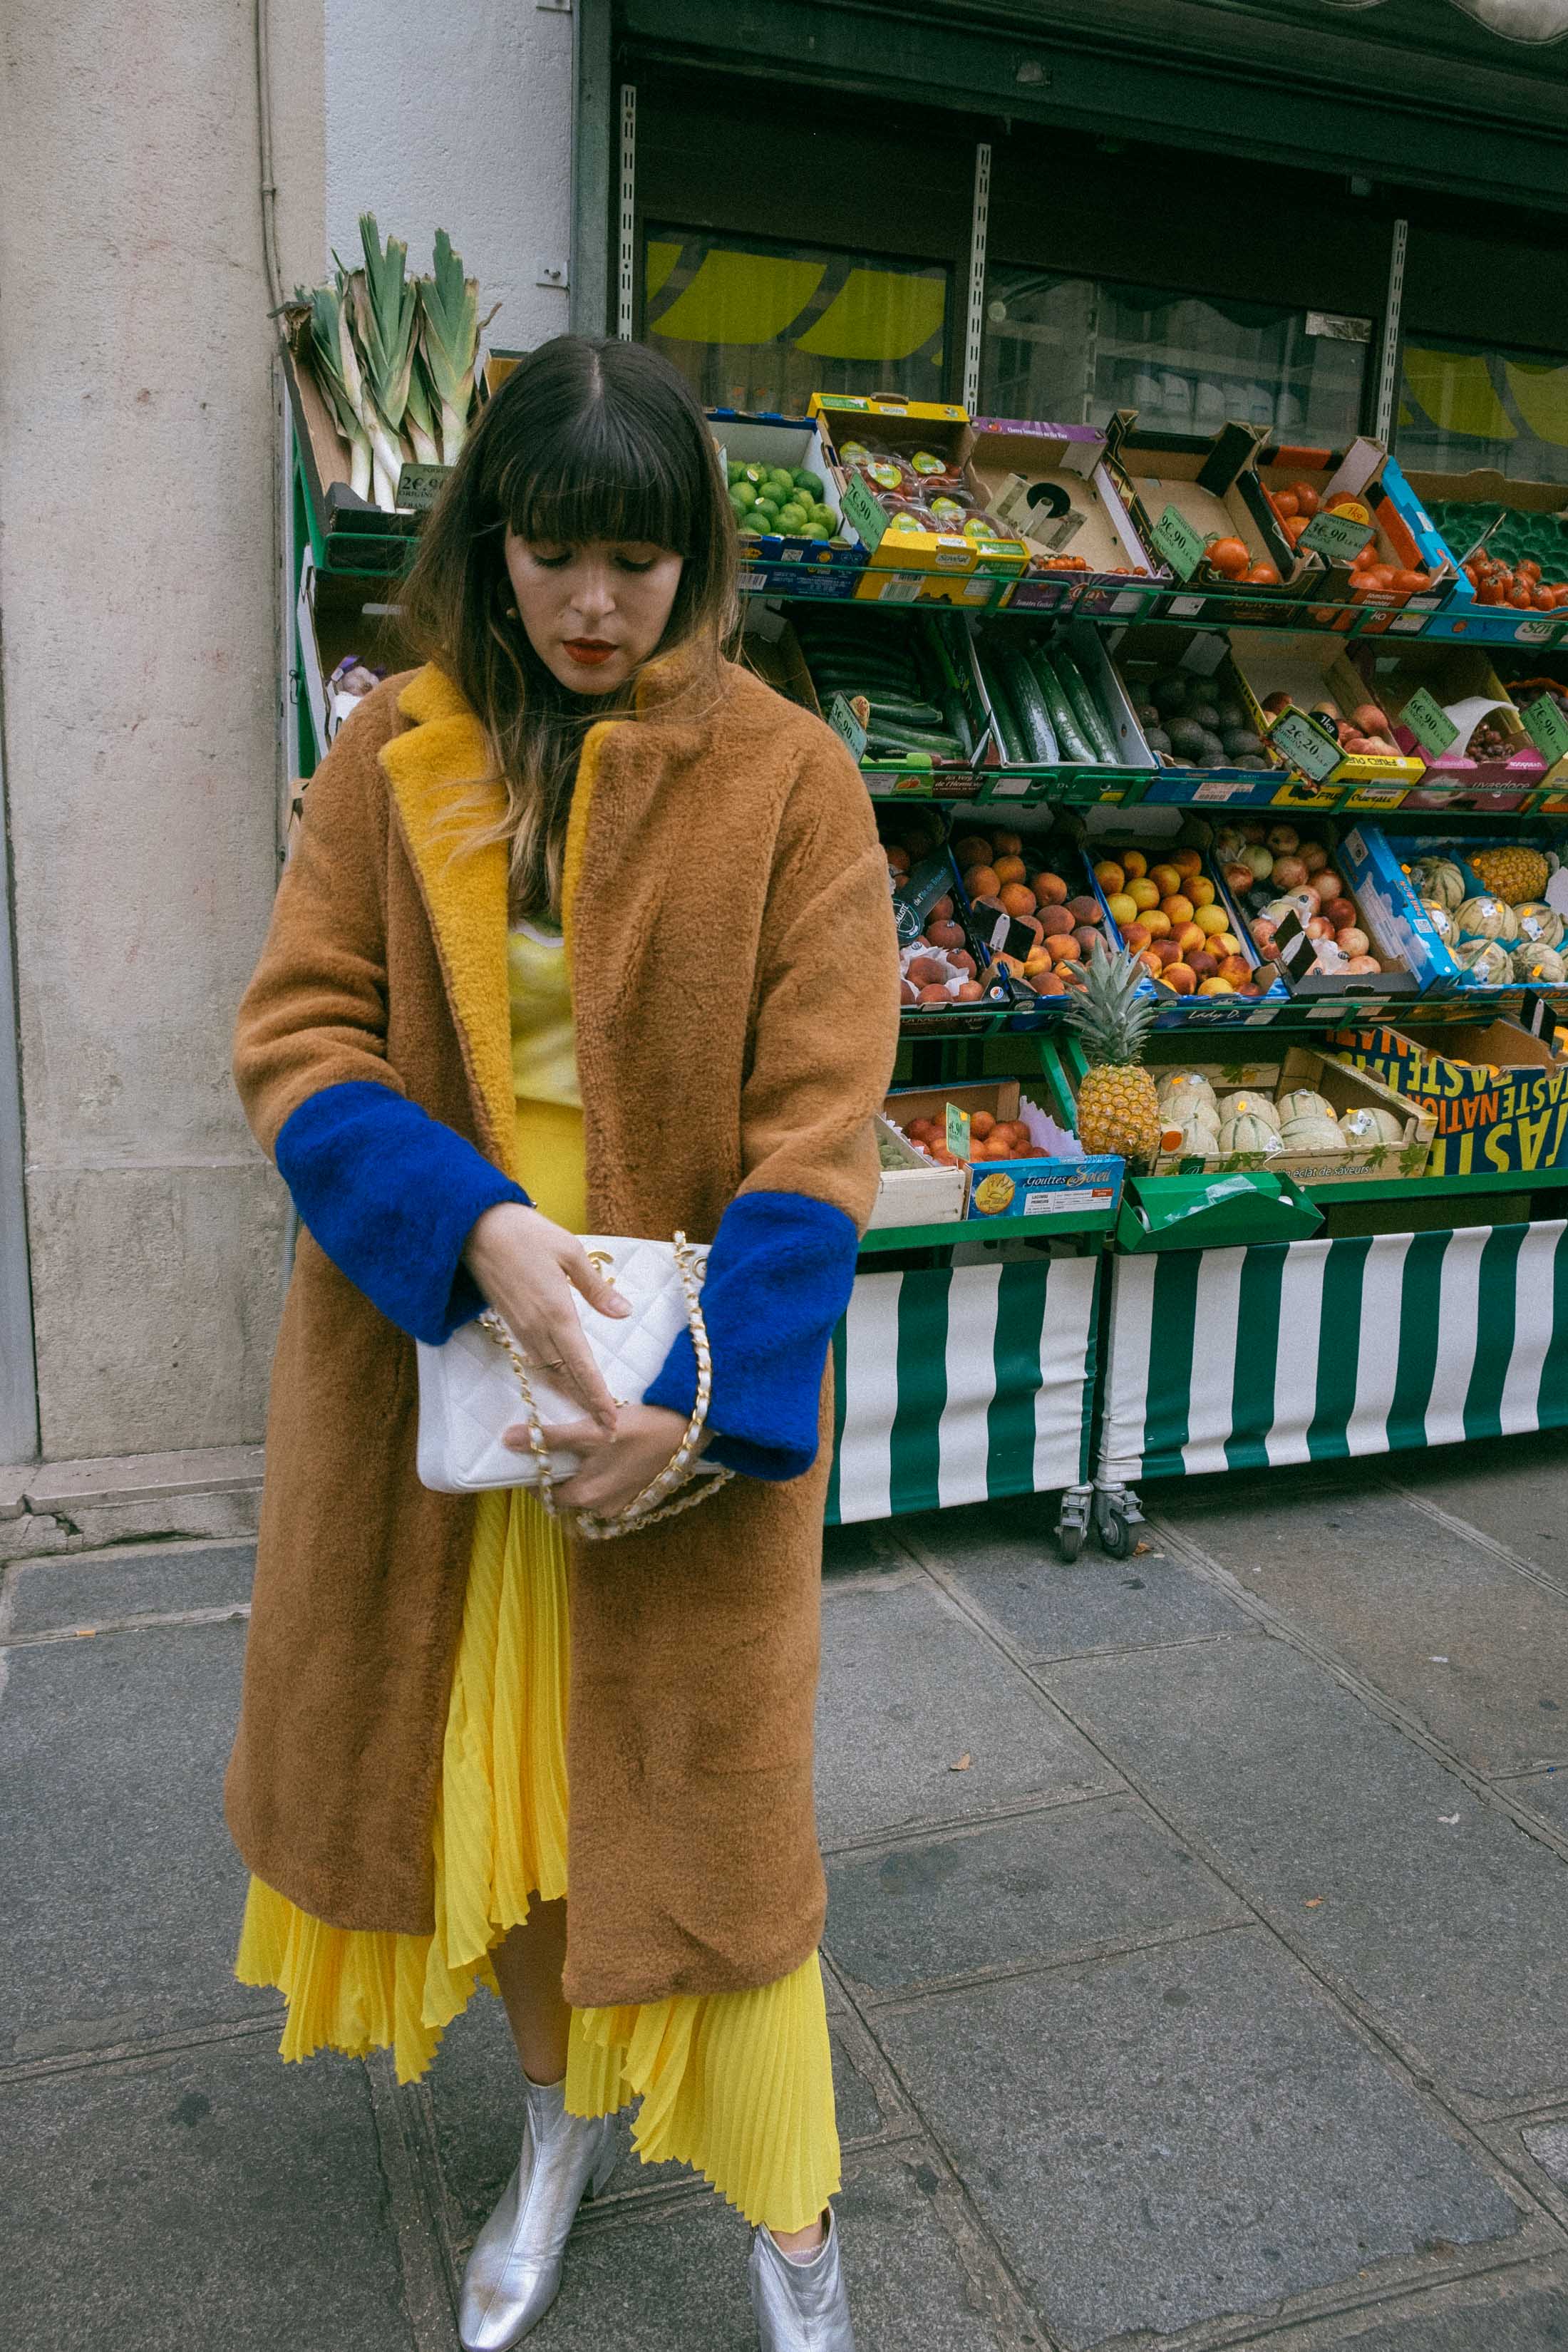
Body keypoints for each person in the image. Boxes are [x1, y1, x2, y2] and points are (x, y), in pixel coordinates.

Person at [227, 333, 901, 2349]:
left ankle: (798, 2230)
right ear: (489, 542)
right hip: (438, 1380)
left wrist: (708, 1387)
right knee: (495, 1817)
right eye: (555, 554)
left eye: (641, 559)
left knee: (723, 1857)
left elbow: (823, 1108)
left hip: (674, 1400)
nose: (596, 605)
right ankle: (553, 2131)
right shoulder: (394, 751)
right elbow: (297, 1037)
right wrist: (480, 1234)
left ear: (700, 553)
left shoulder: (790, 775)